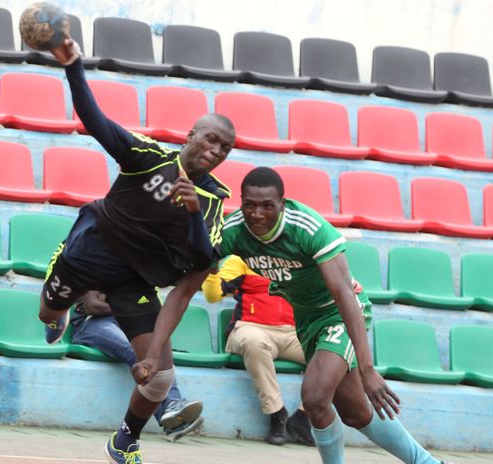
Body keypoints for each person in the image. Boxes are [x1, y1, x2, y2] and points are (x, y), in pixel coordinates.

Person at [173, 166, 452, 464]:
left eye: (268, 206)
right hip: (306, 320)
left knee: (316, 397)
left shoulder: (307, 227)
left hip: (339, 311)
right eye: (250, 205)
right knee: (355, 413)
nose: (257, 214)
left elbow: (343, 293)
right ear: (241, 202)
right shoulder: (234, 230)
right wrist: (194, 223)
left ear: (282, 203)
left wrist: (368, 370)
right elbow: (199, 266)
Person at [41, 37, 235, 464]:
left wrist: (190, 212)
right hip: (90, 250)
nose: (216, 152)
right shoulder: (147, 156)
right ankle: (60, 312)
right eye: (212, 140)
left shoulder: (215, 200)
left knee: (161, 376)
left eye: (225, 149)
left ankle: (125, 441)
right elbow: (95, 121)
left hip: (135, 279)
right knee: (48, 312)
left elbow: (203, 260)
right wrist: (73, 65)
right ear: (192, 135)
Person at [202, 255, 314, 447]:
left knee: (337, 353)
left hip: (294, 333)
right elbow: (212, 295)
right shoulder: (242, 257)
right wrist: (211, 272)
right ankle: (277, 414)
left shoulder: (303, 259)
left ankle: (303, 418)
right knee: (253, 341)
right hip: (251, 328)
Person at [70, 291, 204, 441]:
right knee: (137, 353)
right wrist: (130, 307)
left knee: (156, 353)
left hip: (125, 321)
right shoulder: (102, 268)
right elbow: (93, 306)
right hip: (92, 324)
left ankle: (173, 410)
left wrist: (127, 307)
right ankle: (171, 410)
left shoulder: (136, 275)